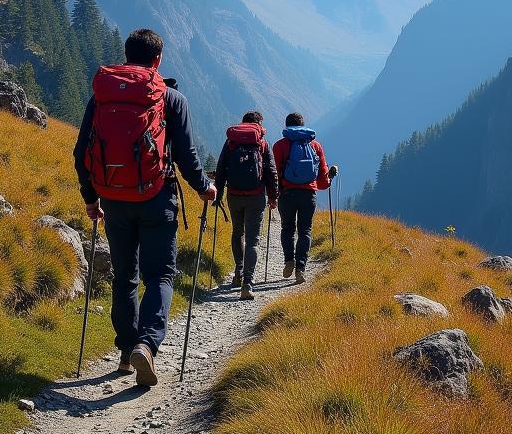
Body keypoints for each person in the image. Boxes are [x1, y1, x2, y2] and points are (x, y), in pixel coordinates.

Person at [73, 28, 216, 387]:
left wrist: (91, 199)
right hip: (156, 198)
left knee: (125, 277)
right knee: (161, 276)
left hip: (114, 199)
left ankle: (125, 352)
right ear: (157, 60)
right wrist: (204, 188)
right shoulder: (171, 98)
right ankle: (147, 344)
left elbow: (81, 153)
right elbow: (186, 155)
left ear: (126, 55)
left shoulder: (102, 96)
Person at [213, 111, 278, 300]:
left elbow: (221, 168)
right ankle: (247, 284)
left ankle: (238, 272)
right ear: (259, 124)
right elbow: (271, 171)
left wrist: (217, 194)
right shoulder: (262, 143)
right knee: (253, 240)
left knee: (237, 232)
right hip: (256, 196)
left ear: (243, 123)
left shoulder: (231, 142)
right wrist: (273, 197)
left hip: (234, 195)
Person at [272, 112, 338, 284]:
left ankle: (289, 260)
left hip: (287, 194)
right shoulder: (315, 146)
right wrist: (330, 178)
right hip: (308, 194)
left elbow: (276, 174)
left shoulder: (279, 146)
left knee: (287, 228)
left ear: (287, 127)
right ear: (303, 126)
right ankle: (300, 268)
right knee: (305, 231)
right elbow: (323, 182)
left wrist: (273, 194)